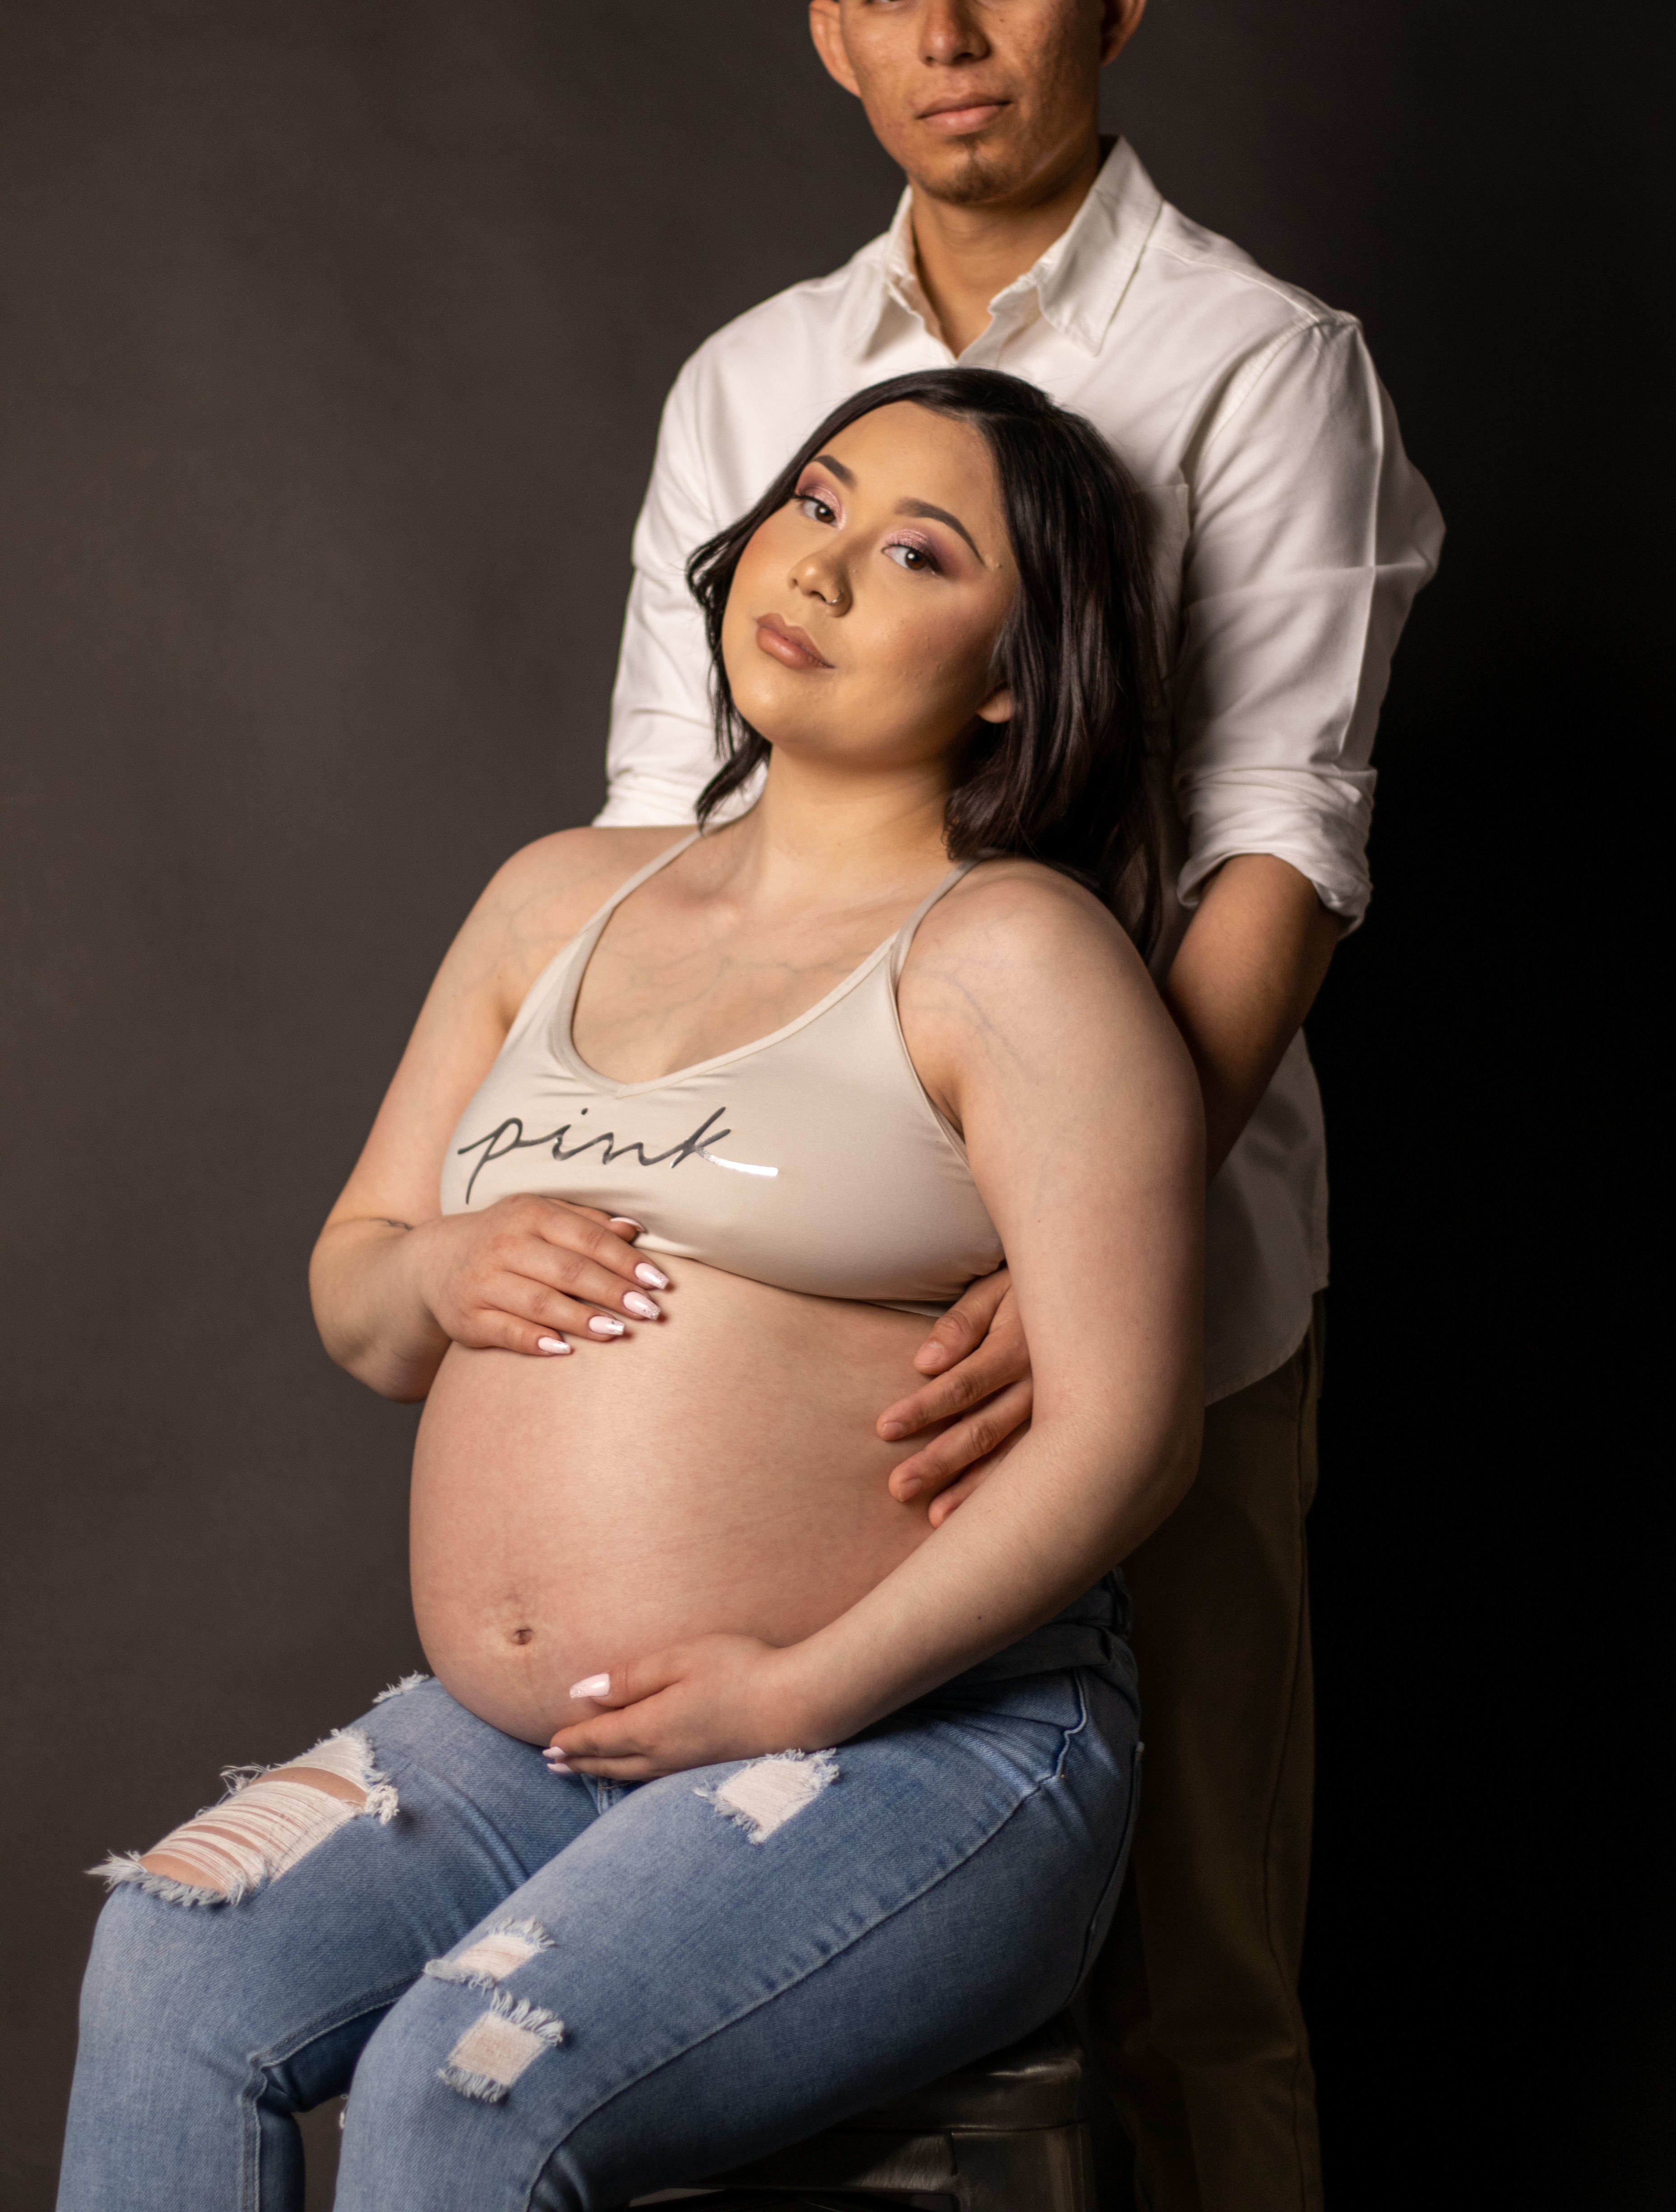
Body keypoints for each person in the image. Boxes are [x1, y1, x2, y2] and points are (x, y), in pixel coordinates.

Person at [58, 371, 1203, 2212]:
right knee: (177, 1969)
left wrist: (799, 1691)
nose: (818, 570)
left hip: (913, 1740)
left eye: (912, 551)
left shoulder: (1013, 955)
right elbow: (360, 1306)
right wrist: (438, 1261)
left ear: (1010, 673)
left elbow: (1129, 1437)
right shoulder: (555, 900)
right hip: (521, 1748)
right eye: (813, 504)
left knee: (463, 2083)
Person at [598, 0, 1445, 2211]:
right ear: (830, 34)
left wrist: (1082, 1244)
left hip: (1154, 1291)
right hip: (790, 1285)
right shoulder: (753, 386)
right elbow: (663, 821)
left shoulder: (1264, 361)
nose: (952, 38)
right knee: (782, 1967)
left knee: (1189, 1985)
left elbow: (1283, 834)